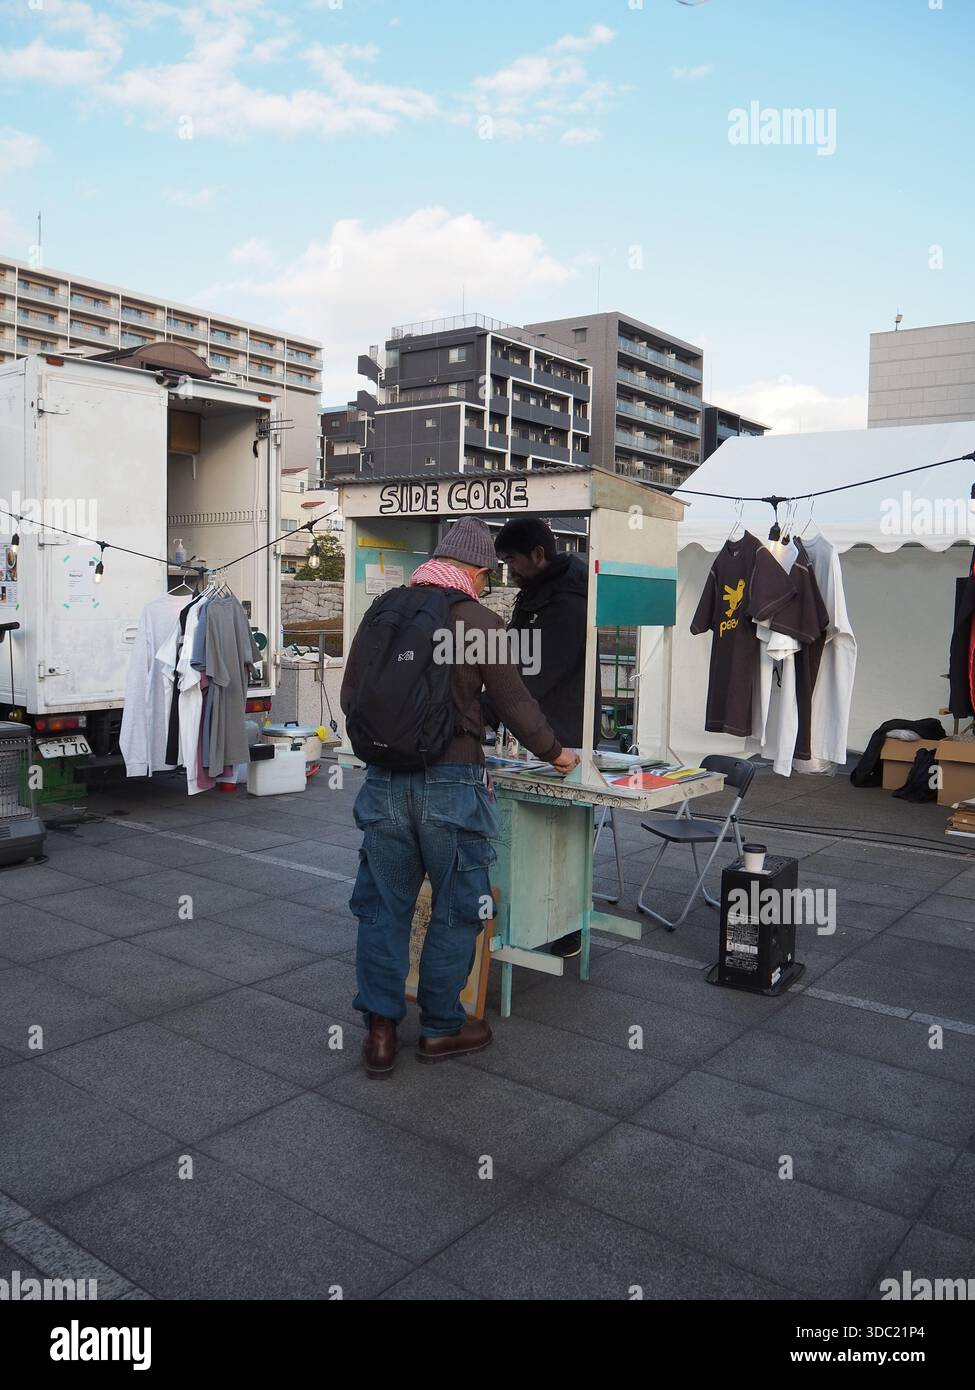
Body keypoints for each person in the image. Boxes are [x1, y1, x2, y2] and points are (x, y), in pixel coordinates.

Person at [341, 517, 580, 1078]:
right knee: (457, 908)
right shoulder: (477, 620)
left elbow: (353, 692)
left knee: (383, 908)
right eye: (487, 573)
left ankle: (379, 1033)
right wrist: (556, 754)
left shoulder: (384, 610)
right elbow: (517, 704)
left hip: (383, 784)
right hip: (451, 785)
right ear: (476, 569)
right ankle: (442, 1027)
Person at [492, 516, 598, 959]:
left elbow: (538, 672)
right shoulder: (535, 593)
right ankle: (530, 915)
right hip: (531, 729)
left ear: (538, 554)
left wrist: (494, 702)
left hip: (563, 734)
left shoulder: (570, 601)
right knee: (532, 833)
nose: (508, 569)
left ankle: (566, 924)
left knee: (563, 836)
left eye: (512, 560)